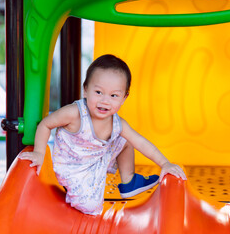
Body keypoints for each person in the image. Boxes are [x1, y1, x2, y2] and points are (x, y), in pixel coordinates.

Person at [19, 54, 187, 215]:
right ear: (85, 90)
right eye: (98, 92)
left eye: (114, 95)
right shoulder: (74, 113)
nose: (105, 101)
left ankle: (128, 181)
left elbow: (140, 142)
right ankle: (78, 194)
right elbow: (45, 124)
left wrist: (165, 163)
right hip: (72, 168)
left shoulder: (117, 123)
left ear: (124, 98)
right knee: (90, 206)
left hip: (96, 160)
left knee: (125, 139)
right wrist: (39, 153)